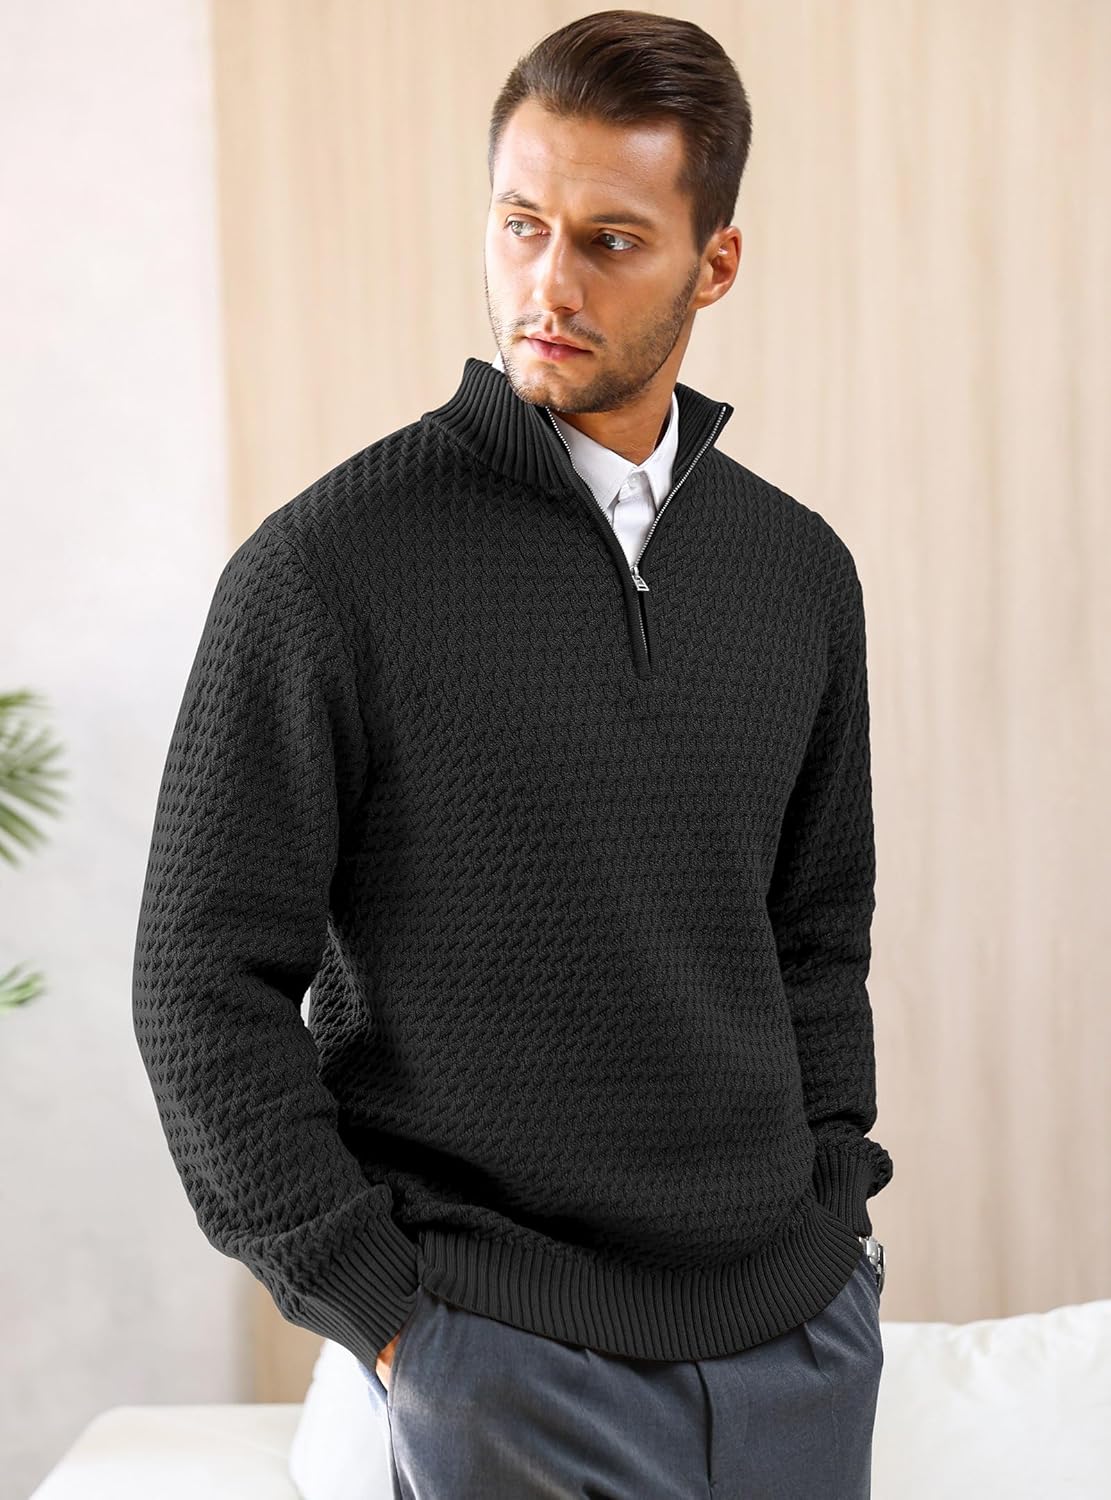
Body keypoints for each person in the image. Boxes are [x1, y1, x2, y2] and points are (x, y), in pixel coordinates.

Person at [132, 10, 893, 1497]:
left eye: (611, 240)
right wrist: (385, 1313)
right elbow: (199, 981)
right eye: (521, 223)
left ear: (715, 263)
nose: (549, 283)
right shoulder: (326, 571)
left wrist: (836, 1220)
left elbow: (818, 937)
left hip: (794, 1342)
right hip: (495, 1354)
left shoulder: (799, 575)